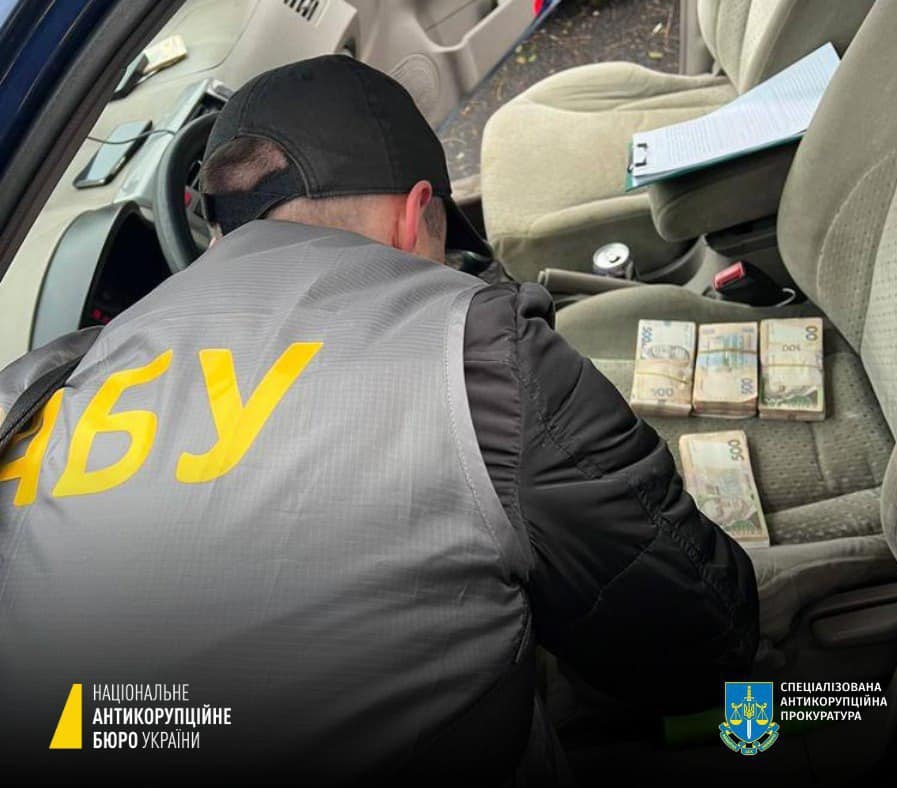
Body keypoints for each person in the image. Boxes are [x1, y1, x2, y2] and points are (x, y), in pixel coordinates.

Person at [0, 56, 758, 784]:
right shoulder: (479, 351)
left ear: (219, 232)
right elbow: (699, 645)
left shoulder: (40, 385)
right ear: (416, 213)